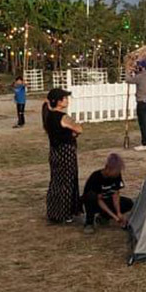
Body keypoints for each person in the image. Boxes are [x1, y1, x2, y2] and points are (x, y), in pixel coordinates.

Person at [44, 87, 83, 224]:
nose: (67, 100)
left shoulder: (48, 116)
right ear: (59, 102)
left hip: (55, 151)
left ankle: (53, 211)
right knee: (67, 182)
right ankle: (65, 213)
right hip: (66, 151)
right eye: (64, 98)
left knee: (56, 181)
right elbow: (79, 129)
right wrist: (73, 132)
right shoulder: (63, 117)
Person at [82, 153, 133, 234]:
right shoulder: (96, 177)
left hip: (107, 200)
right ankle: (89, 223)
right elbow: (99, 201)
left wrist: (118, 212)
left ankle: (103, 217)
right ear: (108, 168)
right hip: (96, 203)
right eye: (116, 171)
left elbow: (116, 194)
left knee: (128, 203)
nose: (118, 173)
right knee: (90, 196)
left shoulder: (117, 176)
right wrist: (115, 217)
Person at [125, 59, 146, 151]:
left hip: (142, 102)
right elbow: (140, 74)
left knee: (143, 124)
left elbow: (128, 80)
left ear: (142, 67)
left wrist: (128, 72)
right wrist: (136, 71)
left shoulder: (140, 77)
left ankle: (145, 143)